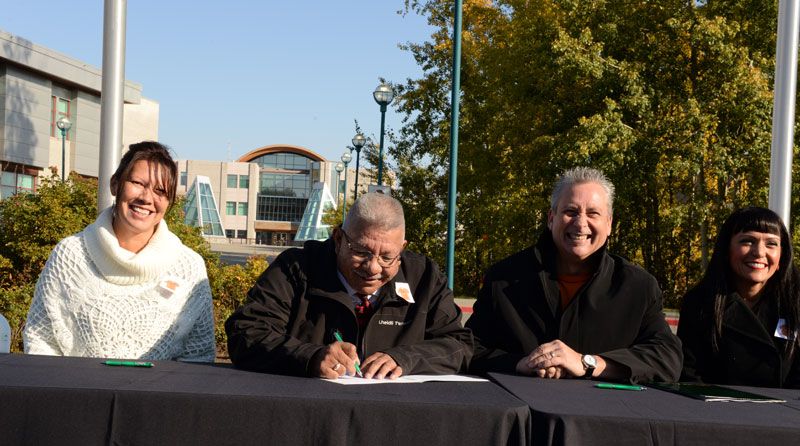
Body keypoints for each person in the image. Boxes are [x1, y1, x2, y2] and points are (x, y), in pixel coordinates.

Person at [467, 167, 682, 383]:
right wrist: (520, 363)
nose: (580, 224)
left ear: (609, 224)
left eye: (593, 213)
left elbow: (667, 357)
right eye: (571, 211)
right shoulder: (503, 279)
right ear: (551, 219)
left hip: (605, 413)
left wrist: (587, 363)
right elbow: (468, 348)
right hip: (523, 412)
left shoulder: (638, 287)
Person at [225, 192, 472, 379]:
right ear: (338, 239)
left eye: (388, 257)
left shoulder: (424, 277)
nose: (373, 268)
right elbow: (245, 333)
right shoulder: (295, 269)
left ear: (403, 249)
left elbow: (459, 345)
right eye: (361, 252)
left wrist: (406, 358)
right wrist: (309, 357)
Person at [24, 141, 215, 361]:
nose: (146, 198)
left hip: (158, 395)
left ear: (169, 201)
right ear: (116, 184)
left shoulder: (189, 266)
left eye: (160, 191)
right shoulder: (70, 255)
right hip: (81, 393)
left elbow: (199, 354)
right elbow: (41, 339)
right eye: (137, 183)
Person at [678, 207, 800, 388]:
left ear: (782, 254)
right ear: (727, 249)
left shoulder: (795, 301)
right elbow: (690, 376)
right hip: (722, 412)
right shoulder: (700, 304)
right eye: (747, 241)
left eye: (771, 244)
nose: (759, 252)